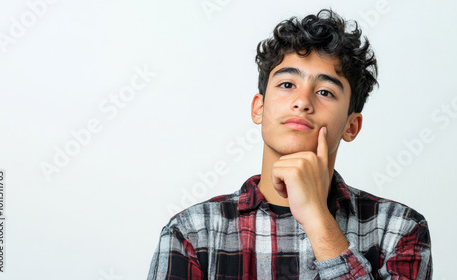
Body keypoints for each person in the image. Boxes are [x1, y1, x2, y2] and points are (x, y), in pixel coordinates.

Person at [147, 9, 432, 279]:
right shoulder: (192, 232)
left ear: (351, 126)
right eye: (287, 85)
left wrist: (317, 217)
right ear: (259, 108)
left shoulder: (400, 229)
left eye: (325, 91)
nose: (302, 101)